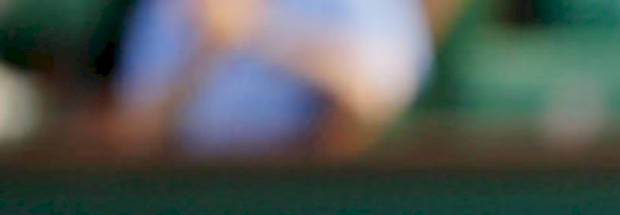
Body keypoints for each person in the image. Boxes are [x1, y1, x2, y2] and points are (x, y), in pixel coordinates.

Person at [108, 0, 436, 155]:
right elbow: (135, 127)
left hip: (313, 197)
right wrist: (205, 53)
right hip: (198, 194)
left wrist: (261, 31)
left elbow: (381, 92)